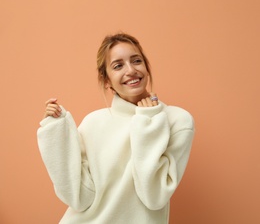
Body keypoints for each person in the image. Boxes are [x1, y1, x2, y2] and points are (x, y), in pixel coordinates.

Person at [37, 33, 195, 224]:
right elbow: (79, 197)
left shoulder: (177, 121)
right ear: (106, 80)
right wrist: (56, 133)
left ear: (146, 67)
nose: (130, 70)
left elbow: (154, 197)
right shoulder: (93, 123)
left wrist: (149, 123)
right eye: (118, 66)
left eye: (136, 61)